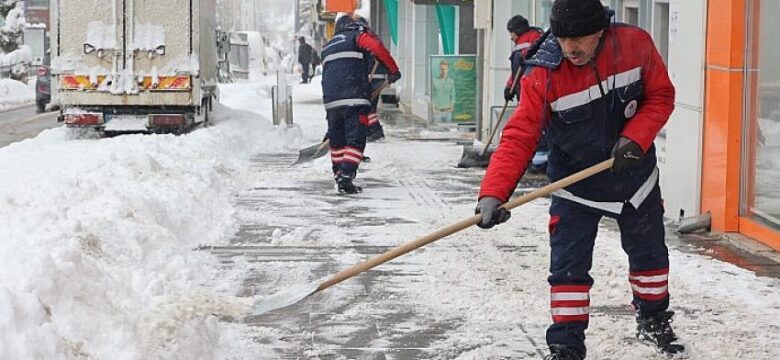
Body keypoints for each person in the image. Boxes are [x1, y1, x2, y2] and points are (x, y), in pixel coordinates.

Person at [474, 1, 683, 359]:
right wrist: (493, 192)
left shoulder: (635, 45)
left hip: (635, 177)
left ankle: (654, 321)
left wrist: (637, 137)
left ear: (601, 30)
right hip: (574, 183)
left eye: (580, 38)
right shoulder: (543, 72)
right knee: (567, 269)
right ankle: (566, 345)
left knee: (650, 258)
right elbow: (521, 135)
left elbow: (661, 96)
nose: (572, 48)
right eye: (564, 38)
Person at [320, 14, 401, 194]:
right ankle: (346, 176)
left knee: (338, 140)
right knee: (356, 139)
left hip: (331, 101)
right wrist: (393, 70)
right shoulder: (357, 36)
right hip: (354, 98)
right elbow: (376, 47)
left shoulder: (328, 46)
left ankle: (339, 174)